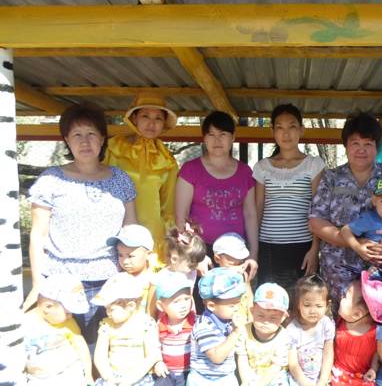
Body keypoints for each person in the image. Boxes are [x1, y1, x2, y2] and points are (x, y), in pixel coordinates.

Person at [25, 103, 137, 347]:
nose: (85, 141)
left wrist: (133, 278)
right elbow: (37, 236)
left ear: (102, 138)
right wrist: (37, 284)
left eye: (91, 134)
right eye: (77, 135)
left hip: (110, 284)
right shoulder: (50, 180)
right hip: (61, 283)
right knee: (65, 351)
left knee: (107, 351)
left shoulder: (121, 179)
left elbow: (131, 233)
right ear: (66, 140)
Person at [309, 113, 382, 305]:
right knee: (346, 316)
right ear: (346, 146)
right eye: (355, 143)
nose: (361, 149)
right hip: (340, 267)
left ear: (376, 147)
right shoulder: (331, 178)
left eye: (368, 144)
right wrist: (356, 243)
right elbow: (316, 221)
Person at [175, 110, 258, 277]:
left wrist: (254, 253)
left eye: (223, 134)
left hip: (236, 252)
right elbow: (181, 216)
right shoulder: (190, 170)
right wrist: (194, 255)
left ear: (233, 137)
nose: (217, 140)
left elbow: (250, 214)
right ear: (204, 138)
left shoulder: (245, 172)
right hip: (200, 249)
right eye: (211, 134)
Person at [253, 104, 325, 292]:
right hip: (268, 246)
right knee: (269, 301)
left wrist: (314, 249)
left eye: (292, 126)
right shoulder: (262, 167)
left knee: (301, 300)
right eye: (280, 127)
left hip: (303, 247)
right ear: (272, 132)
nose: (286, 133)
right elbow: (258, 207)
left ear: (301, 130)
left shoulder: (314, 164)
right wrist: (254, 249)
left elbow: (318, 209)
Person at [104, 92, 178, 267]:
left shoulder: (167, 160)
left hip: (152, 234)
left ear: (164, 123)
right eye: (145, 116)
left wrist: (170, 240)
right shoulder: (113, 148)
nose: (151, 123)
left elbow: (168, 207)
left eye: (158, 118)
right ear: (135, 118)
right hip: (116, 229)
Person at [86, 272, 160, 386]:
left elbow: (151, 357)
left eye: (111, 309)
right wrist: (109, 378)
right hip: (111, 376)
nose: (107, 313)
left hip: (138, 378)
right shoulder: (107, 325)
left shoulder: (146, 323)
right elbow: (100, 356)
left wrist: (128, 382)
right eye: (106, 308)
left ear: (131, 306)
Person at [23, 274, 92, 386]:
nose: (70, 316)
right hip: (37, 378)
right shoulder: (23, 325)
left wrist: (88, 374)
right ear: (47, 307)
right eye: (67, 312)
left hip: (67, 374)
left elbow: (80, 346)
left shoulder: (67, 324)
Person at [186, 267, 247, 386]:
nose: (237, 308)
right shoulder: (203, 326)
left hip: (227, 381)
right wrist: (235, 333)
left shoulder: (228, 321)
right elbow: (216, 357)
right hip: (201, 383)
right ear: (212, 306)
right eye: (232, 305)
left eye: (238, 303)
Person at [236, 283, 296, 386]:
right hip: (252, 375)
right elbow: (242, 357)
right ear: (252, 311)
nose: (266, 321)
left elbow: (276, 367)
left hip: (277, 378)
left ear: (283, 317)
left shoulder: (283, 336)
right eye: (261, 315)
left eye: (273, 318)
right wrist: (246, 381)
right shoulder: (244, 331)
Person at [286, 275, 340, 386]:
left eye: (319, 306)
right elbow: (293, 364)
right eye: (307, 305)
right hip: (301, 379)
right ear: (298, 304)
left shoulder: (327, 324)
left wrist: (322, 382)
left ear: (327, 305)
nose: (313, 310)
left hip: (322, 376)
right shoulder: (292, 330)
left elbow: (328, 355)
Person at [147, 271, 195, 386]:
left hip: (187, 373)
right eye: (176, 301)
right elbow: (154, 346)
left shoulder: (195, 322)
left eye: (187, 299)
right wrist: (158, 362)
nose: (183, 305)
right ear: (161, 306)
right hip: (166, 373)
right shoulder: (159, 324)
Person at [330, 280, 378, 386]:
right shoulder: (338, 322)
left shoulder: (375, 331)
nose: (341, 297)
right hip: (343, 375)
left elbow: (377, 352)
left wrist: (374, 368)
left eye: (346, 296)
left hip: (364, 376)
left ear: (357, 314)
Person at [107, 224, 156, 315]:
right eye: (120, 255)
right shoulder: (118, 280)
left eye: (130, 256)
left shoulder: (152, 281)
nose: (125, 261)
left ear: (148, 255)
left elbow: (152, 313)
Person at [212, 232, 254, 324]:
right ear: (217, 259)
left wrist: (250, 317)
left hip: (242, 318)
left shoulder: (243, 275)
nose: (238, 268)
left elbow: (249, 297)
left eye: (240, 263)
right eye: (232, 264)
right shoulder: (214, 278)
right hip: (221, 322)